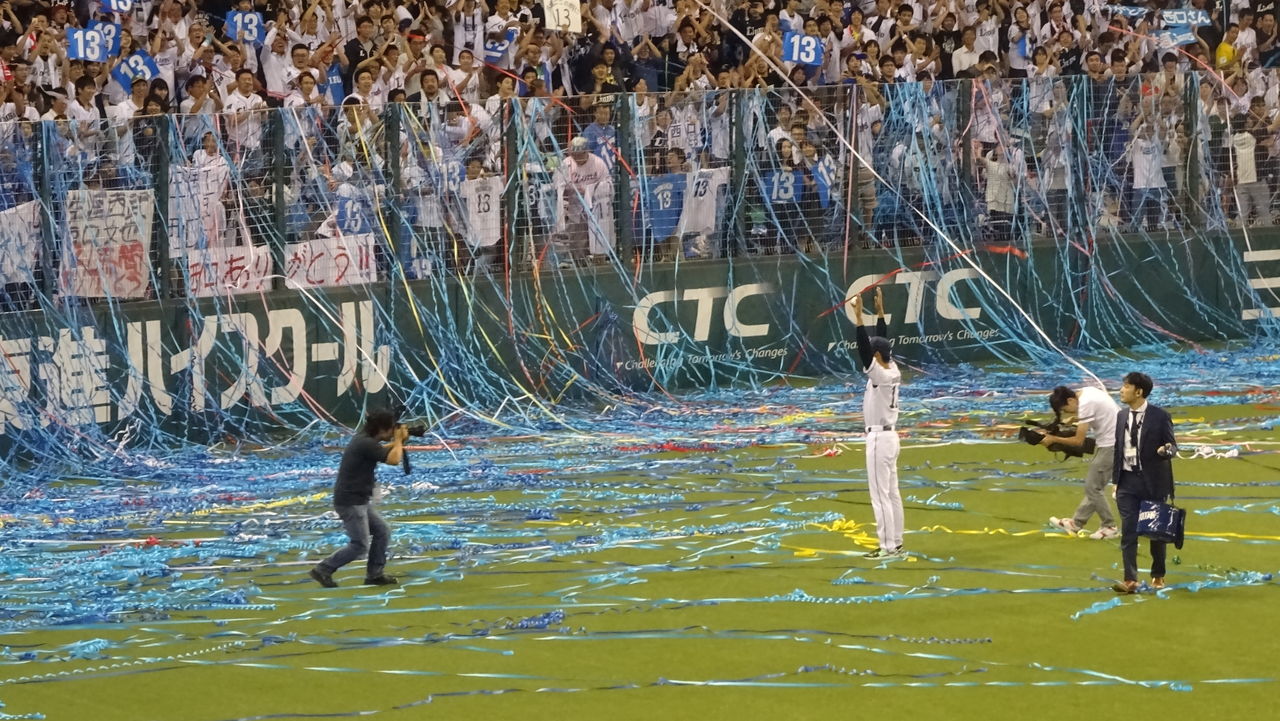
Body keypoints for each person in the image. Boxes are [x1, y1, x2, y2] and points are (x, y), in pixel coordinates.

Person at [310, 409, 407, 588]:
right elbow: (393, 460)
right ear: (382, 429)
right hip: (351, 502)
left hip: (358, 499)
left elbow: (382, 451)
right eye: (391, 428)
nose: (393, 432)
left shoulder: (364, 440)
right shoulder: (365, 443)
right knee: (360, 546)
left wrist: (397, 442)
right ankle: (323, 569)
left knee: (382, 531)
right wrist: (399, 441)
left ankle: (375, 574)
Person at [1112, 372, 1178, 594]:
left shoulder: (1160, 416)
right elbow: (1118, 449)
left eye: (1126, 386)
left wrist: (1165, 450)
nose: (1121, 390)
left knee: (1155, 532)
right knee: (1128, 530)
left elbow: (1172, 446)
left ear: (1139, 391)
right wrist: (1115, 481)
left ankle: (1158, 575)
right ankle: (1130, 579)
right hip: (1127, 481)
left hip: (1153, 482)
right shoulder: (1121, 416)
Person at [852, 286, 904, 559]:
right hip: (891, 438)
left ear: (875, 356)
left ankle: (887, 547)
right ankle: (896, 542)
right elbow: (882, 343)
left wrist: (860, 318)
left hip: (879, 439)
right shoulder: (892, 367)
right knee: (892, 493)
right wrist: (880, 313)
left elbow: (865, 350)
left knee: (880, 495)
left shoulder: (880, 375)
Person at [1044, 384, 1120, 540]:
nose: (1068, 413)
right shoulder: (1087, 392)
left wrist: (1053, 439)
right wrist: (1075, 419)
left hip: (1112, 444)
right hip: (1115, 440)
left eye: (1066, 410)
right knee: (1095, 486)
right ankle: (1076, 523)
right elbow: (1098, 413)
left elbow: (1078, 441)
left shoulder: (1085, 404)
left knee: (1093, 487)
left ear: (1070, 400)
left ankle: (1110, 526)